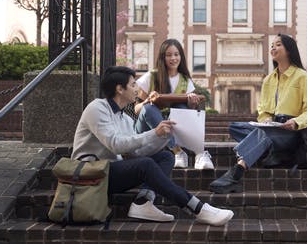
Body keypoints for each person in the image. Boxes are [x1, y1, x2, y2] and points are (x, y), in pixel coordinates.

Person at [71, 66, 233, 226]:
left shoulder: (125, 118)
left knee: (165, 157)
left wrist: (165, 136)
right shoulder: (97, 108)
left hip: (109, 172)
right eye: (133, 84)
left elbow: (135, 153)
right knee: (146, 164)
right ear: (120, 89)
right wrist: (154, 133)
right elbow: (115, 145)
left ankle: (143, 202)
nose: (137, 89)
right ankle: (197, 207)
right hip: (89, 175)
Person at [209, 34, 307, 194]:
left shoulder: (303, 77)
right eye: (271, 46)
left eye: (278, 45)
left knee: (262, 135)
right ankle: (272, 151)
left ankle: (237, 172)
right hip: (272, 127)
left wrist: (296, 122)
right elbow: (263, 110)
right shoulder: (269, 80)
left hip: (292, 132)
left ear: (289, 50)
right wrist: (266, 119)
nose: (273, 48)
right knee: (235, 127)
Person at [134, 39, 214, 170]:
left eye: (176, 54)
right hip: (147, 130)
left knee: (181, 107)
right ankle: (177, 151)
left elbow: (188, 116)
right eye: (169, 55)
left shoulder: (185, 80)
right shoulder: (151, 76)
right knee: (148, 109)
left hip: (169, 132)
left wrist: (192, 104)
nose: (173, 58)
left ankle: (198, 153)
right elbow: (136, 110)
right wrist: (147, 100)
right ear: (162, 57)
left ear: (181, 56)